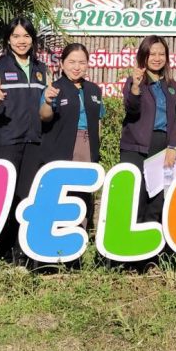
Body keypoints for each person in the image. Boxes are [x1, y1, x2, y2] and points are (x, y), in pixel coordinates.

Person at [0, 17, 54, 262]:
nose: (21, 41)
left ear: (32, 40)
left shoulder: (42, 70)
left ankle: (20, 250)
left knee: (26, 197)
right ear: (8, 40)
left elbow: (48, 104)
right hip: (6, 141)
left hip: (34, 142)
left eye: (26, 36)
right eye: (16, 36)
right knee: (1, 197)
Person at [36, 43, 104, 238]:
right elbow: (44, 116)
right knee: (63, 192)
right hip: (62, 146)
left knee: (83, 191)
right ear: (62, 64)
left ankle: (79, 236)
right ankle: (56, 236)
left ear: (87, 64)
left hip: (87, 145)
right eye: (72, 62)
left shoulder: (94, 90)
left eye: (82, 62)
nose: (77, 67)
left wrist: (95, 147)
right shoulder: (54, 88)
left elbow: (98, 120)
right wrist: (48, 101)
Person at [120, 35, 176, 226]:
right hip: (136, 149)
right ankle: (131, 243)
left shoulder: (172, 86)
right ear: (144, 56)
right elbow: (132, 108)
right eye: (152, 54)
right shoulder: (134, 81)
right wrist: (136, 87)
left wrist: (172, 146)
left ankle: (152, 242)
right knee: (135, 200)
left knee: (157, 202)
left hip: (162, 149)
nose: (157, 58)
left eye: (161, 54)